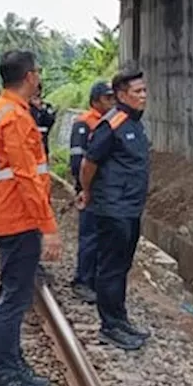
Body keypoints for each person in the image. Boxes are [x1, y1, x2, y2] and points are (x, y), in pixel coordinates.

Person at [0, 50, 62, 386]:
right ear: (30, 76)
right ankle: (1, 373)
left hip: (12, 214)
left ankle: (13, 364)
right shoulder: (13, 117)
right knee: (14, 298)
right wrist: (48, 227)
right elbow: (27, 176)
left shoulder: (8, 111)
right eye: (38, 72)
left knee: (16, 294)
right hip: (17, 217)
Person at [78, 67, 151, 351]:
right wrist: (87, 192)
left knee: (122, 266)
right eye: (137, 92)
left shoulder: (135, 124)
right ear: (122, 95)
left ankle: (120, 320)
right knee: (110, 267)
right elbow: (89, 163)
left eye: (144, 91)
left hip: (131, 208)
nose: (143, 96)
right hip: (113, 208)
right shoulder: (113, 124)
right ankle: (109, 325)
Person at [69, 81, 115, 305]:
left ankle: (95, 281)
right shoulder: (84, 123)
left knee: (101, 238)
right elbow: (77, 158)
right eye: (108, 98)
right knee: (89, 236)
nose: (112, 102)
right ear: (95, 101)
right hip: (90, 189)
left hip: (104, 190)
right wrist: (82, 187)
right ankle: (82, 281)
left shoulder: (109, 123)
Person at [29, 88, 57, 157]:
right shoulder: (26, 108)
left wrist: (41, 110)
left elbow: (51, 121)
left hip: (43, 141)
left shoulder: (46, 107)